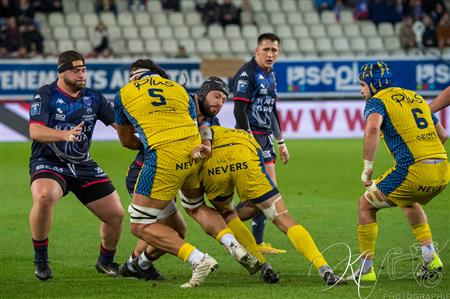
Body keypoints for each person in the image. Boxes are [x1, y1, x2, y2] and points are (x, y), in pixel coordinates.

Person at [114, 60, 258, 288]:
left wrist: (148, 142)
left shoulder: (126, 93)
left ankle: (195, 259)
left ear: (134, 78)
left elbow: (126, 140)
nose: (219, 102)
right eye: (216, 96)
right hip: (192, 157)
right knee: (186, 218)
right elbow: (198, 128)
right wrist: (206, 144)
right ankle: (231, 244)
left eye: (222, 98)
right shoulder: (179, 92)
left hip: (156, 166)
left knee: (141, 225)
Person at [198, 125, 347, 285]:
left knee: (228, 215)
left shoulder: (196, 122)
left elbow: (205, 129)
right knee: (283, 218)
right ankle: (324, 269)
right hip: (244, 153)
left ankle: (264, 266)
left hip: (212, 165)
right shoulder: (237, 130)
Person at [348, 61, 449, 282]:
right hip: (443, 171)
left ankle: (365, 271)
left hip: (413, 170)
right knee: (408, 200)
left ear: (373, 84)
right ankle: (430, 257)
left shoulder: (377, 101)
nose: (361, 90)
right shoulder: (415, 98)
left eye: (363, 84)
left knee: (365, 205)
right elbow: (442, 135)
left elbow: (373, 128)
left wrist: (367, 168)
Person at [28, 50, 124, 281]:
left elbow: (119, 126)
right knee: (44, 197)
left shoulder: (94, 98)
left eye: (84, 70)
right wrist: (63, 136)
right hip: (48, 161)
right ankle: (41, 261)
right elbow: (35, 130)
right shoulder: (46, 94)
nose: (82, 75)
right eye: (76, 71)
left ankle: (105, 262)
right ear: (61, 73)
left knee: (116, 215)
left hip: (82, 163)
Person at [233, 32, 289, 254]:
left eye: (274, 50)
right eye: (266, 49)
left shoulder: (271, 74)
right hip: (251, 138)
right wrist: (248, 140)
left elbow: (271, 109)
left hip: (265, 139)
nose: (270, 54)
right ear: (257, 51)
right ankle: (224, 223)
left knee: (265, 193)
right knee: (265, 194)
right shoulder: (247, 74)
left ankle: (256, 242)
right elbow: (239, 109)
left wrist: (281, 142)